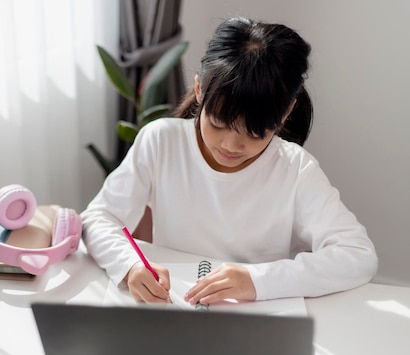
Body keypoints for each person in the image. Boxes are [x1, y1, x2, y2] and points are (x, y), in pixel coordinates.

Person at [80, 17, 378, 305]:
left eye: (254, 132)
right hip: (176, 309)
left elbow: (358, 255)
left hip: (257, 320)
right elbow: (99, 218)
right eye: (219, 124)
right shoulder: (161, 141)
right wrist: (130, 265)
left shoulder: (296, 169)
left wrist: (258, 280)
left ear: (286, 112)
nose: (231, 145)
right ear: (199, 89)